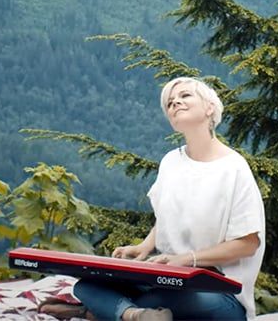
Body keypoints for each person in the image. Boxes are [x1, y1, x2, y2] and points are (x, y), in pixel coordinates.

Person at [68, 76, 266, 321]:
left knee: (173, 297)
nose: (175, 103)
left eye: (185, 96)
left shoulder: (234, 168)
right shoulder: (171, 162)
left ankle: (106, 312)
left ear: (210, 108)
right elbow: (166, 216)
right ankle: (135, 315)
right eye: (170, 103)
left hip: (219, 293)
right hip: (167, 279)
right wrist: (143, 247)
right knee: (86, 285)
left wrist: (188, 259)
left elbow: (247, 244)